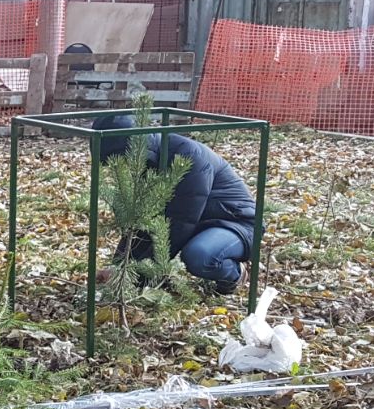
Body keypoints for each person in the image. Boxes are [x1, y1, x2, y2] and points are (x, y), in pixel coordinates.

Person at [92, 114, 256, 294]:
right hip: (198, 224)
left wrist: (133, 277)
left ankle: (234, 274)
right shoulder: (148, 163)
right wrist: (118, 267)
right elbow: (142, 222)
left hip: (235, 223)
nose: (122, 169)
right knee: (193, 249)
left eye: (122, 161)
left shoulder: (188, 158)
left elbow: (179, 224)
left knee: (199, 255)